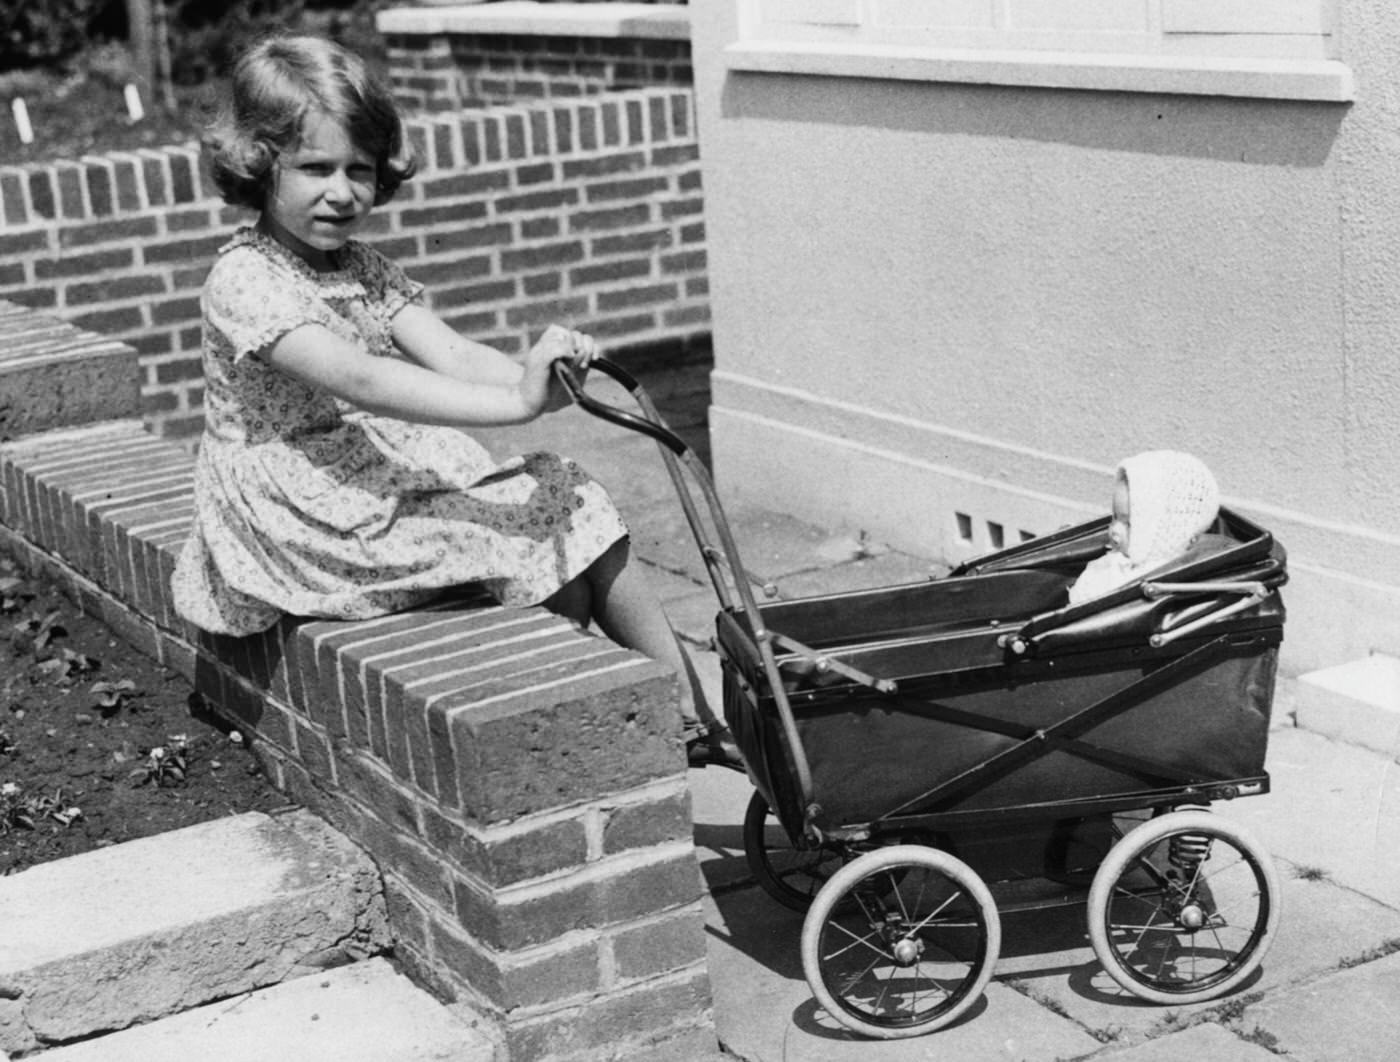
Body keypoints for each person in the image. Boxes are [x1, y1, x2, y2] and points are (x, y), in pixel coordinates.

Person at [170, 34, 740, 769]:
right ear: (258, 164)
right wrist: (515, 408)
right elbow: (362, 379)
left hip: (351, 477)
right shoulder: (246, 281)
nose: (342, 192)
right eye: (315, 168)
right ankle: (592, 730)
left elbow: (449, 351)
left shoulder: (357, 264)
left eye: (360, 170)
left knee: (568, 498)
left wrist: (531, 374)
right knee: (530, 547)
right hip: (299, 510)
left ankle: (694, 714)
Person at [1067, 450, 1219, 605]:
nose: (1114, 530)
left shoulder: (1152, 582)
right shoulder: (1120, 562)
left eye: (1129, 524)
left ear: (1167, 535)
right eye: (1115, 517)